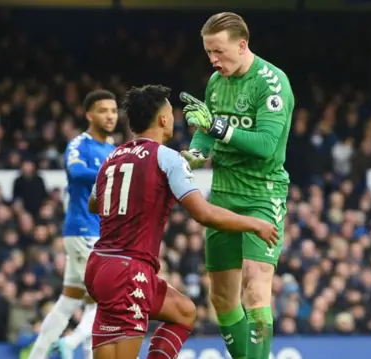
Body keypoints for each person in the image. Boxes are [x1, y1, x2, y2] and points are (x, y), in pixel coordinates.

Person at [84, 84, 279, 359]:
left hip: (101, 266)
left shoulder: (112, 158)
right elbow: (204, 214)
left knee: (184, 311)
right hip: (130, 271)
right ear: (163, 119)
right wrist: (254, 223)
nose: (174, 118)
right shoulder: (166, 158)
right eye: (171, 113)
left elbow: (94, 203)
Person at [179, 12, 295, 359]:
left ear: (242, 45)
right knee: (222, 298)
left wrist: (216, 129)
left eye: (219, 51)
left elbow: (265, 146)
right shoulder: (216, 83)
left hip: (264, 193)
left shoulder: (272, 82)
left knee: (256, 288)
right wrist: (197, 153)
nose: (213, 60)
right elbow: (206, 132)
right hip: (224, 194)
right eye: (208, 53)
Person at [28, 90, 119, 359]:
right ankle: (71, 342)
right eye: (104, 110)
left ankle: (37, 354)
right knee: (107, 301)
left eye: (114, 111)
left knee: (70, 302)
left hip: (98, 232)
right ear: (89, 114)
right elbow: (76, 172)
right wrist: (111, 172)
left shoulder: (112, 149)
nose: (110, 116)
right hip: (82, 231)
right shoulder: (80, 144)